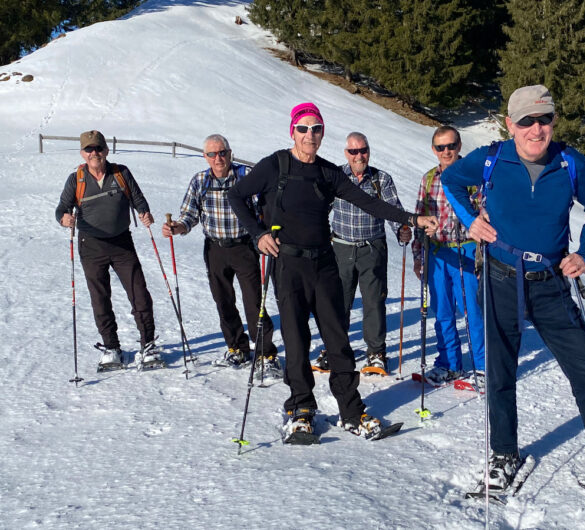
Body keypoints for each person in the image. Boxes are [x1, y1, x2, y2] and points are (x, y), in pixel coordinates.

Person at [442, 85, 585, 502]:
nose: (536, 130)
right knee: (500, 373)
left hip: (551, 282)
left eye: (544, 120)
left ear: (554, 121)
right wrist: (470, 220)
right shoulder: (490, 158)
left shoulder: (569, 162)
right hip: (501, 278)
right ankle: (504, 455)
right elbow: (450, 180)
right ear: (511, 124)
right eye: (527, 121)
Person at [228, 102, 437, 441]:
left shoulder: (327, 172)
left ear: (323, 133)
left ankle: (351, 411)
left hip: (324, 263)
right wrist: (259, 233)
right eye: (303, 128)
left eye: (316, 129)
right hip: (288, 263)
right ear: (292, 131)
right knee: (296, 340)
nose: (309, 135)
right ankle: (301, 409)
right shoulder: (274, 165)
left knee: (338, 340)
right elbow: (236, 195)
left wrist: (411, 219)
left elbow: (368, 202)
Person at [162, 134, 280, 377]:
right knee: (223, 301)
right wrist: (177, 227)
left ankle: (265, 353)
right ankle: (237, 348)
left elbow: (263, 207)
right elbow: (189, 215)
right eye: (212, 154)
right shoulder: (200, 181)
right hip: (215, 248)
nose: (218, 158)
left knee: (253, 302)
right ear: (205, 156)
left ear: (230, 152)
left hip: (244, 247)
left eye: (222, 153)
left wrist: (265, 231)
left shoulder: (246, 176)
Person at [55, 130, 162, 370]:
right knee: (100, 298)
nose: (94, 153)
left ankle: (148, 345)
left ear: (106, 150)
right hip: (91, 246)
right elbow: (61, 208)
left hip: (122, 243)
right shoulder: (76, 180)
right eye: (89, 149)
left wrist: (144, 212)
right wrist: (64, 218)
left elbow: (138, 199)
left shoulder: (121, 173)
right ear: (82, 153)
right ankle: (111, 347)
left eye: (98, 148)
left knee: (139, 294)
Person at [319, 132, 412, 374]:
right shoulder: (336, 177)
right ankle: (334, 349)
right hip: (341, 247)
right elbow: (321, 208)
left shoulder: (381, 179)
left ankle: (376, 353)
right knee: (338, 301)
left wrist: (401, 229)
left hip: (372, 249)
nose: (359, 156)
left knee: (373, 302)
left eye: (363, 150)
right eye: (353, 151)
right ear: (346, 153)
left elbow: (393, 209)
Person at [411, 125, 485, 385]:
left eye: (451, 146)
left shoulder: (474, 177)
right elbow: (419, 217)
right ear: (434, 149)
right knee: (442, 310)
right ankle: (449, 364)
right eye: (441, 147)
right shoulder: (429, 179)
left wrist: (483, 257)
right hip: (437, 252)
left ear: (459, 146)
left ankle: (483, 366)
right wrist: (418, 255)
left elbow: (486, 216)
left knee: (473, 311)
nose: (446, 151)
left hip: (466, 249)